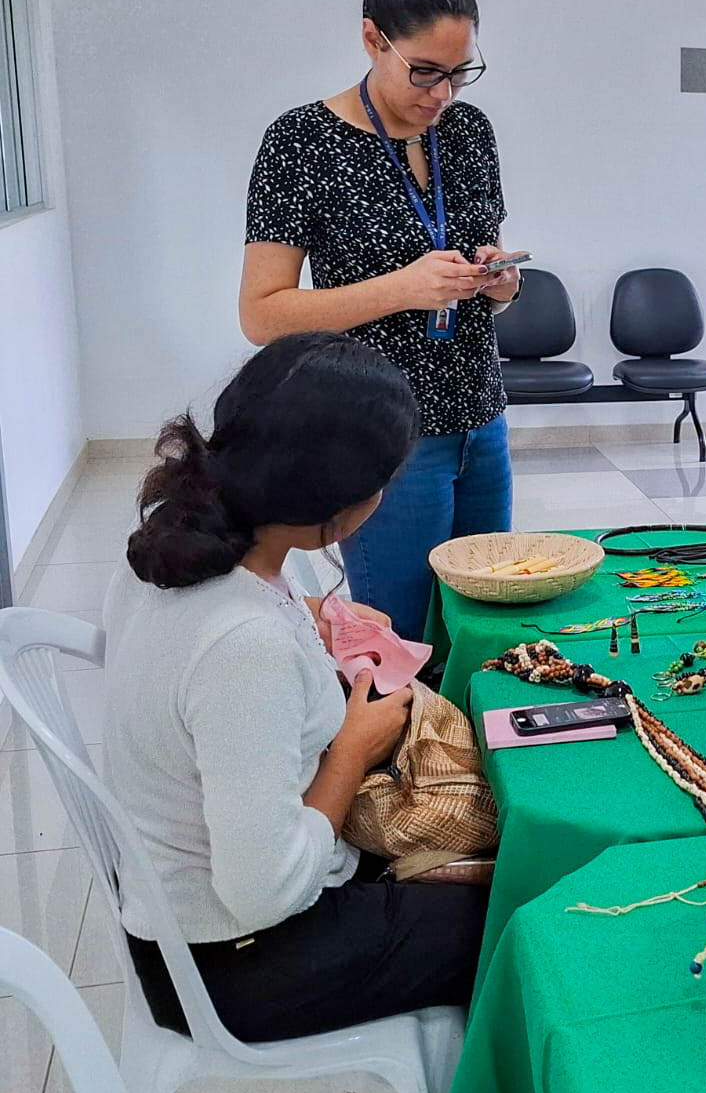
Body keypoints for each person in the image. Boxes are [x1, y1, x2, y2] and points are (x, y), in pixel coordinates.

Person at [105, 333, 487, 1042]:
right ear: (339, 508)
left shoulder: (173, 544)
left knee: (471, 857)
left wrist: (303, 611)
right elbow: (260, 890)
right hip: (234, 962)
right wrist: (352, 748)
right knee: (518, 917)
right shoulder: (246, 647)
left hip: (187, 911)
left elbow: (206, 651)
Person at [239, 0, 522, 641]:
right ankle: (397, 755)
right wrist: (403, 287)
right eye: (425, 72)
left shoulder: (469, 133)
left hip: (479, 415)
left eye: (460, 72)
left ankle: (471, 752)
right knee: (399, 641)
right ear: (373, 39)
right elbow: (262, 313)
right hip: (381, 432)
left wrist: (498, 284)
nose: (443, 93)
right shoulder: (302, 142)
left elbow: (490, 279)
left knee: (489, 624)